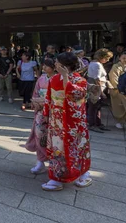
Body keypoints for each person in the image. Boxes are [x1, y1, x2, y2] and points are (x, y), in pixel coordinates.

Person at [41, 52, 91, 191]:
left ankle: (84, 173)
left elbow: (76, 95)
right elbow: (49, 98)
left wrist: (65, 77)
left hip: (73, 121)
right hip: (57, 119)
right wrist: (46, 113)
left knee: (78, 146)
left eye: (57, 62)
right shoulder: (53, 79)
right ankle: (56, 178)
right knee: (57, 148)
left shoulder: (79, 80)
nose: (55, 64)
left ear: (65, 65)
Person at [25, 58, 54, 174]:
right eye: (44, 66)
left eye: (47, 66)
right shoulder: (42, 78)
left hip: (53, 112)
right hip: (41, 111)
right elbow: (36, 92)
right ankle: (40, 162)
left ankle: (53, 162)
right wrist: (35, 102)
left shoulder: (57, 79)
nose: (44, 68)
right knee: (39, 135)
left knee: (52, 138)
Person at [86, 48, 113, 133]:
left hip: (94, 87)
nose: (107, 60)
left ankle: (97, 123)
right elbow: (97, 79)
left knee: (96, 107)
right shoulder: (97, 65)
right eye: (107, 58)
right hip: (96, 88)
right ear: (101, 57)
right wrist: (101, 92)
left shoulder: (93, 63)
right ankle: (92, 124)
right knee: (94, 107)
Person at [108, 52, 126, 129]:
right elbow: (113, 78)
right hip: (118, 89)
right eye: (124, 58)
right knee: (119, 107)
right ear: (119, 58)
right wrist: (121, 88)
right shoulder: (116, 66)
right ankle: (119, 121)